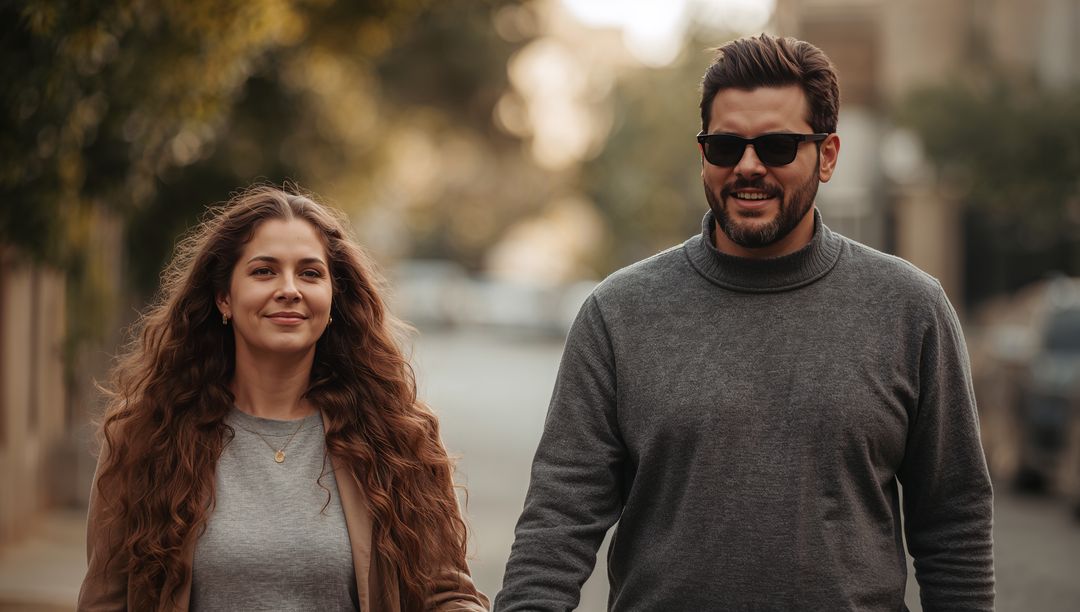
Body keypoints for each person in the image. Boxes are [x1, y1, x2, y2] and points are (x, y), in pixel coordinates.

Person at [495, 34, 994, 611]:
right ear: (703, 151)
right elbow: (558, 521)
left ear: (827, 155)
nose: (749, 167)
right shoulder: (618, 314)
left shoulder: (911, 309)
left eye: (779, 146)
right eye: (726, 146)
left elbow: (954, 524)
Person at [78, 185, 488, 612]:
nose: (289, 289)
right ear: (224, 298)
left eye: (310, 273)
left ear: (333, 300)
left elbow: (448, 596)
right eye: (264, 271)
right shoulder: (146, 435)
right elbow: (105, 602)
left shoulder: (398, 437)